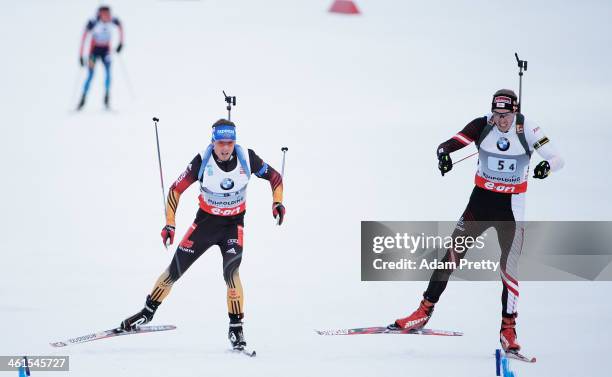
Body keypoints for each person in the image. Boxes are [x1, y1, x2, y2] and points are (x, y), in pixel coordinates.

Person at [390, 89, 564, 352]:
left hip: (511, 209)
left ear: (515, 111)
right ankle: (423, 312)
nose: (502, 120)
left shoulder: (528, 128)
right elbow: (451, 142)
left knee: (509, 269)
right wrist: (444, 154)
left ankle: (508, 329)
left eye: (506, 115)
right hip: (479, 204)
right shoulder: (483, 123)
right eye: (498, 114)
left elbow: (557, 159)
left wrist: (546, 167)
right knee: (451, 255)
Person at [120, 119, 286, 351]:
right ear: (213, 142)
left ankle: (236, 329)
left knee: (232, 272)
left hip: (233, 226)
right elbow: (175, 190)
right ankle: (147, 313)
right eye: (221, 143)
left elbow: (275, 177)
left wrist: (277, 203)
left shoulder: (247, 158)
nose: (226, 148)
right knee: (174, 271)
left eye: (230, 142)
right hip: (205, 225)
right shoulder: (202, 161)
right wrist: (170, 224)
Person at [77, 5, 124, 110]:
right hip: (93, 52)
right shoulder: (93, 22)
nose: (107, 17)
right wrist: (81, 55)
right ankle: (82, 99)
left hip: (106, 51)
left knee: (108, 74)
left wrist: (121, 43)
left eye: (108, 14)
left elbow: (120, 26)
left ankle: (107, 99)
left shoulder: (113, 20)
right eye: (105, 14)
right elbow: (84, 38)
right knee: (90, 75)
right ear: (99, 14)